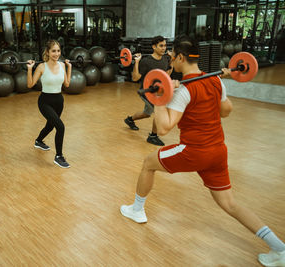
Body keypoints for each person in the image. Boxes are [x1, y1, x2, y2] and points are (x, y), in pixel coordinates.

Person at [120, 35, 285, 267]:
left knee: (148, 163)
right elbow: (226, 111)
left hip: (195, 151)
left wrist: (159, 97)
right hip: (218, 151)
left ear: (179, 57)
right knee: (229, 204)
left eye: (172, 55)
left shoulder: (184, 90)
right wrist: (219, 86)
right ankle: (280, 249)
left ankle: (137, 210)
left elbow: (165, 128)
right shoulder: (217, 81)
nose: (170, 58)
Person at [27, 40, 72, 168]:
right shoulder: (42, 67)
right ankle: (59, 156)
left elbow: (67, 84)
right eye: (53, 51)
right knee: (60, 126)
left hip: (59, 101)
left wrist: (70, 68)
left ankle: (39, 141)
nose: (56, 53)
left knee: (51, 126)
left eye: (58, 51)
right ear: (47, 52)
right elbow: (30, 84)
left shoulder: (63, 65)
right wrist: (30, 69)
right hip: (45, 102)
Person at [124, 35, 172, 146]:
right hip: (146, 91)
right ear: (154, 47)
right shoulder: (146, 61)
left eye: (165, 46)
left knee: (146, 114)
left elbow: (167, 75)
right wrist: (136, 62)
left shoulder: (165, 59)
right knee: (159, 110)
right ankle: (153, 136)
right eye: (161, 46)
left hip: (157, 91)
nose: (164, 48)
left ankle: (129, 120)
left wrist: (172, 60)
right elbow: (135, 78)